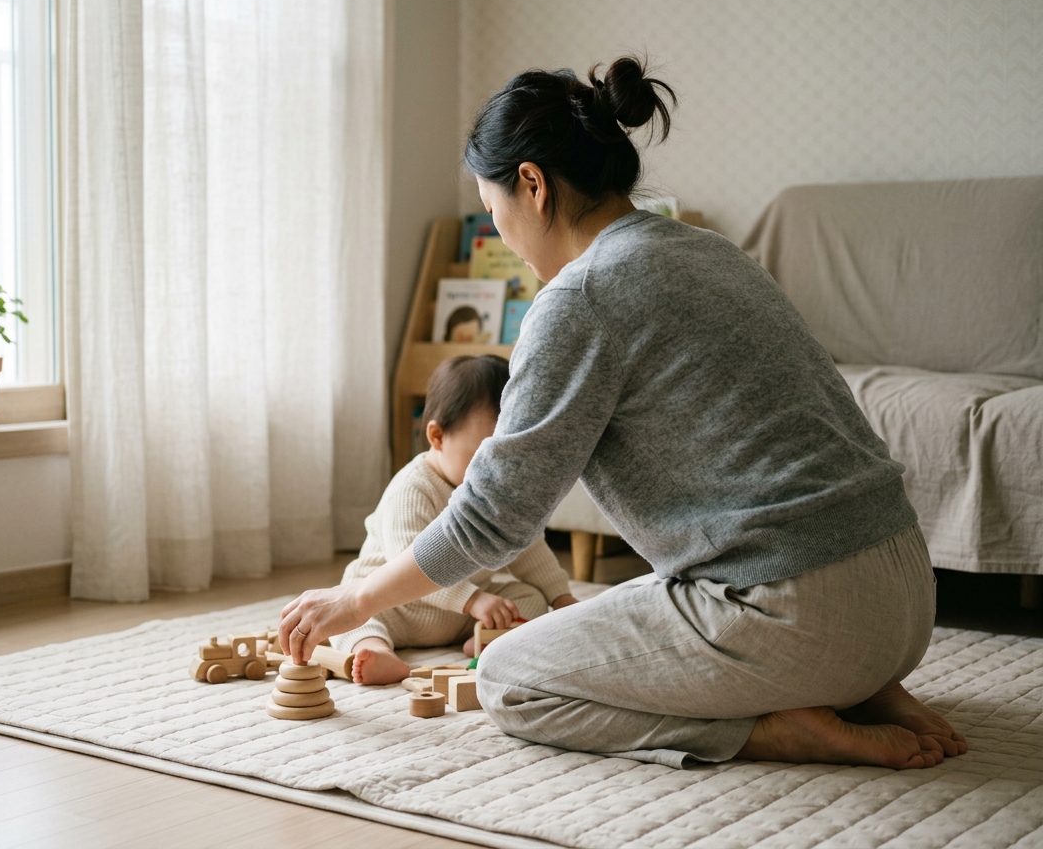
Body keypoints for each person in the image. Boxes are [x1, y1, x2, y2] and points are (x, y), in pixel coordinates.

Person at [279, 55, 967, 770]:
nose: (506, 240)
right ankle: (860, 686)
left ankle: (774, 728)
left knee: (510, 680)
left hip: (803, 612)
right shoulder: (712, 251)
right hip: (907, 595)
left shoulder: (583, 296)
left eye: (496, 214)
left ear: (533, 186)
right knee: (641, 597)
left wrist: (356, 600)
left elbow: (493, 516)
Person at [333, 354, 577, 685]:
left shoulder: (497, 491)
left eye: (506, 456)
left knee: (528, 597)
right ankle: (377, 651)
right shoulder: (412, 488)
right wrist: (472, 599)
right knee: (351, 614)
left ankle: (488, 640)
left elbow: (530, 550)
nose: (497, 472)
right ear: (437, 437)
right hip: (400, 606)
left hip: (465, 612)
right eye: (483, 455)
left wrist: (561, 598)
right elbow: (409, 563)